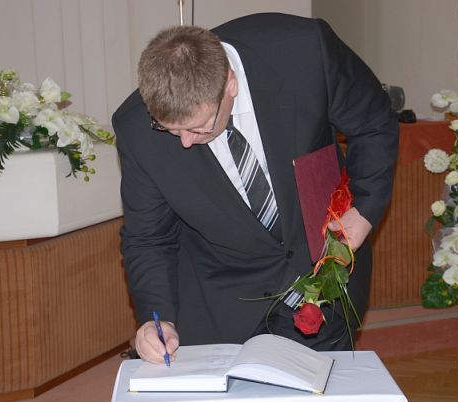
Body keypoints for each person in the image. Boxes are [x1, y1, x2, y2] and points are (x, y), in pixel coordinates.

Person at [112, 13, 398, 364]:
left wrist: (365, 209)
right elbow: (148, 238)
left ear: (230, 83)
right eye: (170, 129)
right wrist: (157, 318)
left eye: (199, 128)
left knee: (318, 394)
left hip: (321, 275)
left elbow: (373, 124)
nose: (185, 142)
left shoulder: (305, 50)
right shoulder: (135, 128)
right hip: (221, 296)